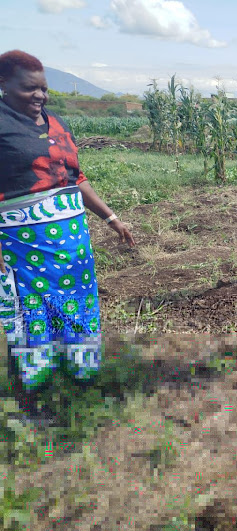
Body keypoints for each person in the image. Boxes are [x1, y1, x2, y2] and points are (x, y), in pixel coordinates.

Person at [0, 50, 135, 418]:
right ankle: (33, 400)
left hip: (71, 241)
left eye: (43, 89)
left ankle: (79, 380)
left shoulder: (56, 122)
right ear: (4, 85)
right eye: (30, 89)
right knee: (31, 317)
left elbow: (75, 179)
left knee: (77, 308)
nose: (40, 96)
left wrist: (111, 219)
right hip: (21, 246)